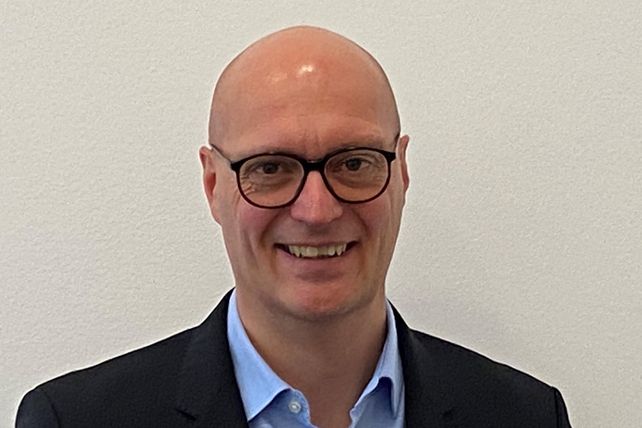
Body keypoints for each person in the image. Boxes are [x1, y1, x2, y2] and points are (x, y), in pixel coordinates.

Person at [16, 26, 571, 428]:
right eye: (270, 169)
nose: (316, 210)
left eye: (353, 163)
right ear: (213, 185)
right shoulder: (76, 419)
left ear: (401, 173)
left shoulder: (524, 415)